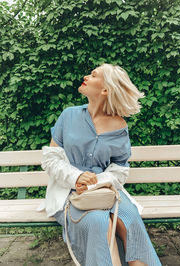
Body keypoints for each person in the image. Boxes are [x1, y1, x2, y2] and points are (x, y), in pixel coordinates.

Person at [41, 63, 162, 266]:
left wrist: (97, 181)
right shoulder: (68, 115)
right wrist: (76, 178)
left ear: (105, 89)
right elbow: (51, 159)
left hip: (105, 189)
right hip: (69, 191)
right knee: (99, 221)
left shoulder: (119, 126)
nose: (86, 76)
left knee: (129, 218)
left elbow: (120, 169)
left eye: (93, 75)